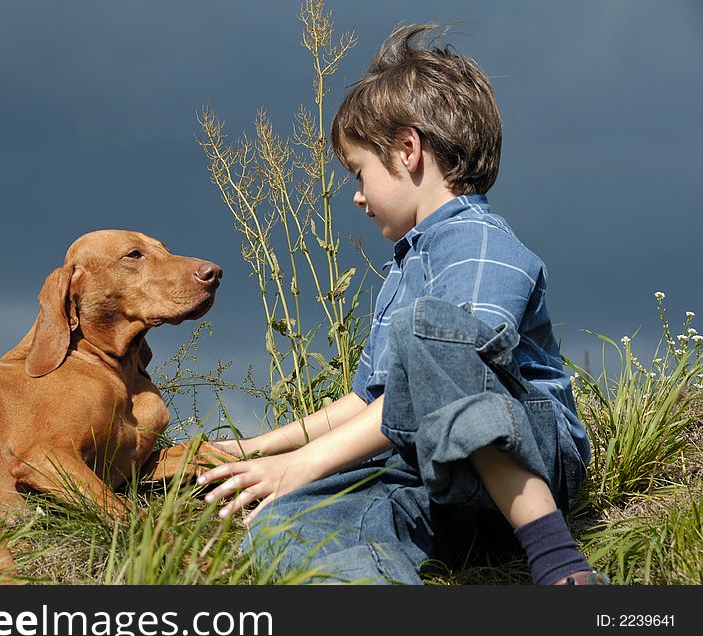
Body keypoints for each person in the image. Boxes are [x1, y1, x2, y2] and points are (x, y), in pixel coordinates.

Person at [197, 23, 608, 585]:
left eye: (359, 172)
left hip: (528, 458)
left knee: (431, 334)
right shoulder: (405, 266)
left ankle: (558, 563)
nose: (359, 196)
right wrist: (263, 447)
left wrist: (307, 462)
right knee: (293, 522)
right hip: (429, 482)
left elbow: (456, 365)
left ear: (408, 150)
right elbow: (371, 401)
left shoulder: (477, 240)